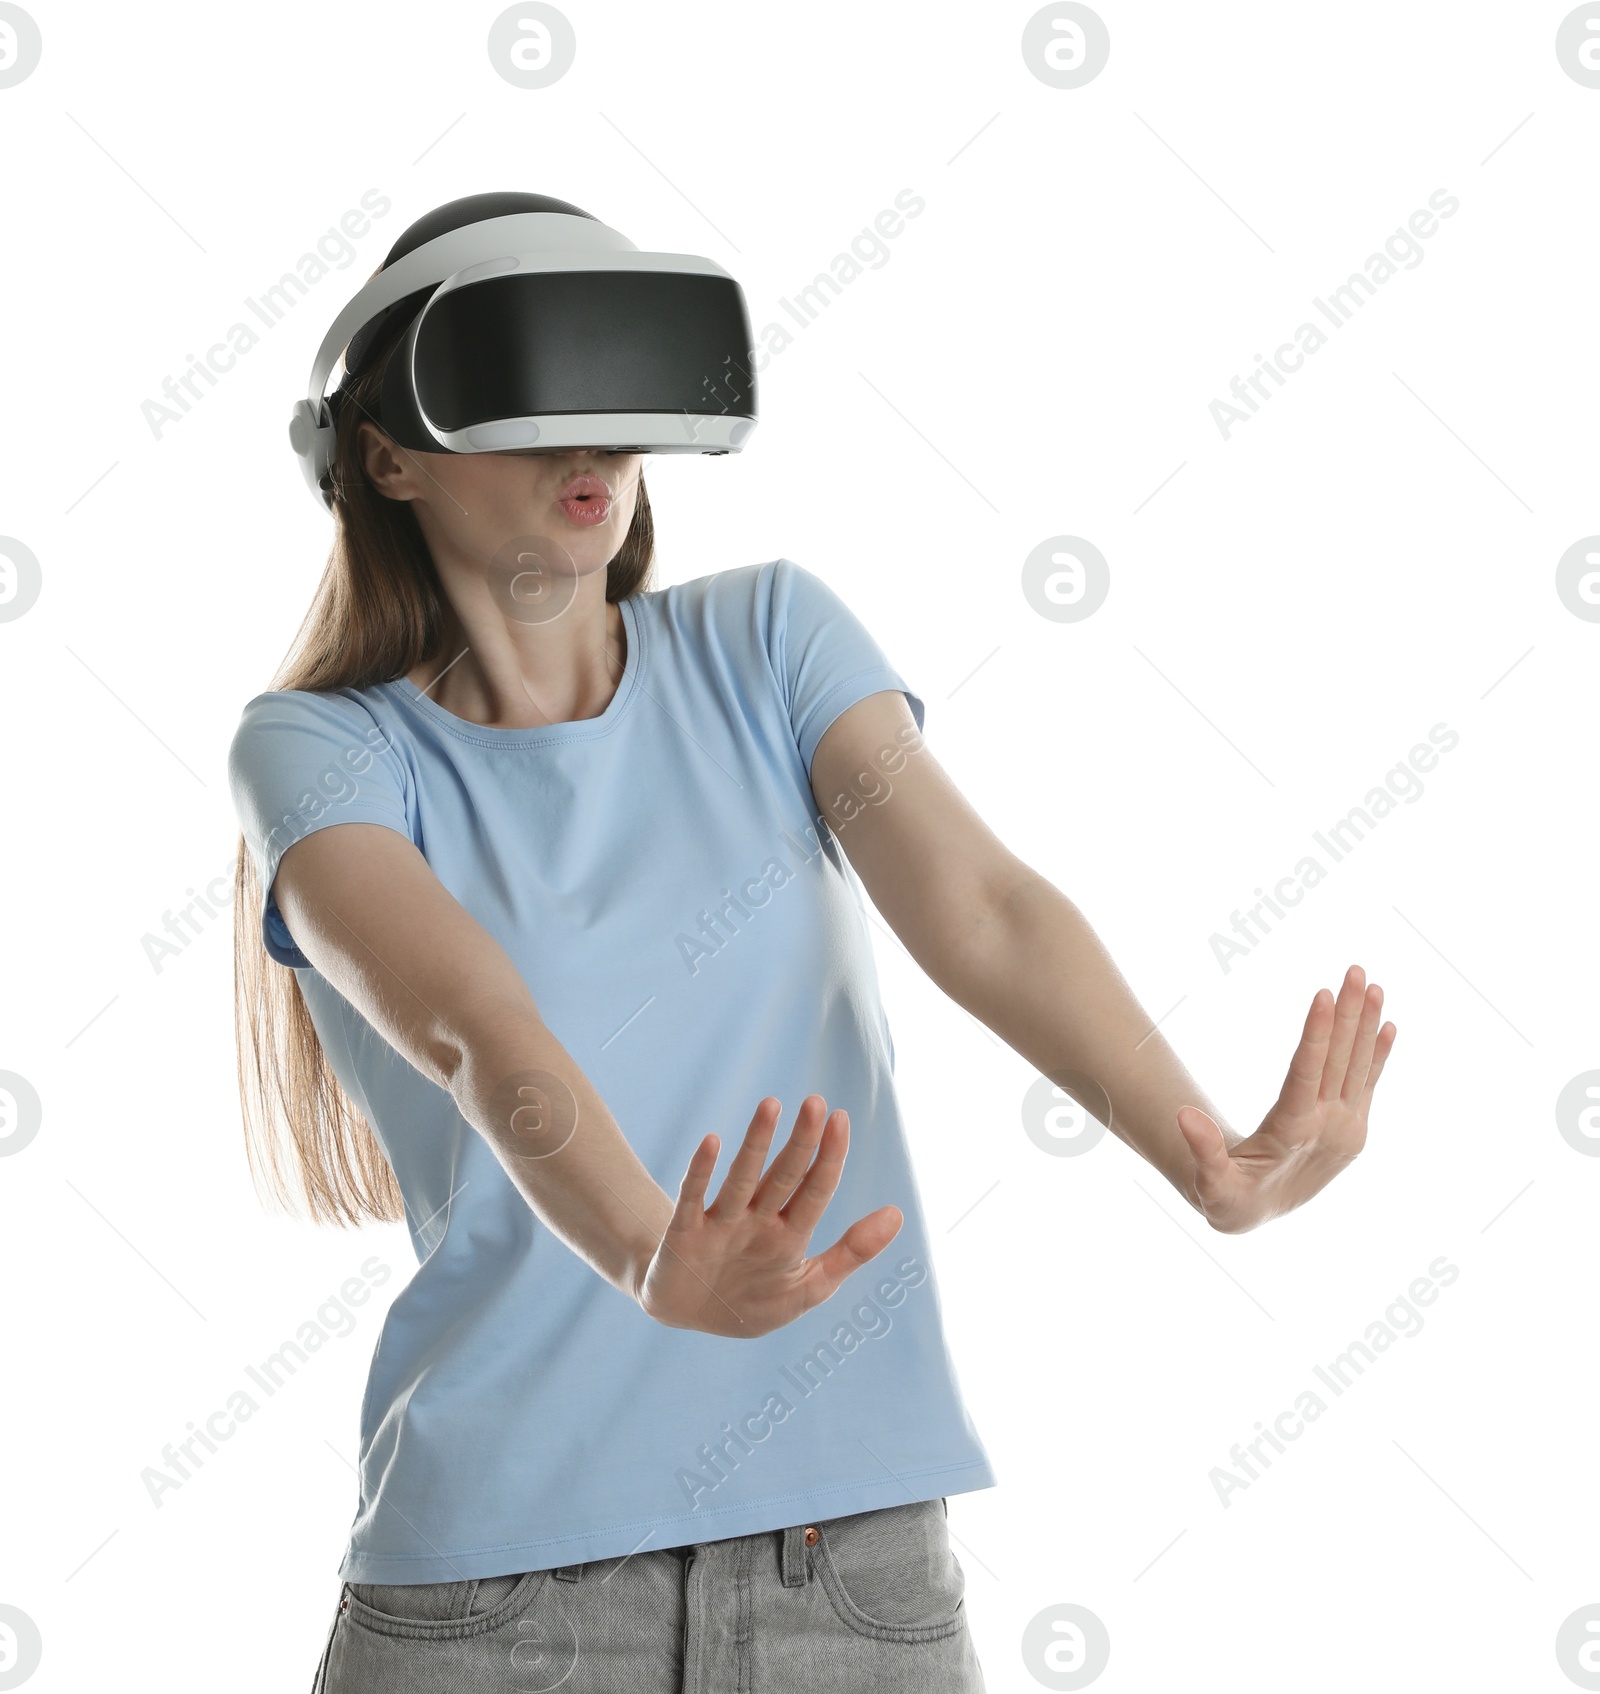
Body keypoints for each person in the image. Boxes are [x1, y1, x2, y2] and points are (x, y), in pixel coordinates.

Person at [227, 194, 1397, 1694]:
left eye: (617, 385)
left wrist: (1209, 1154)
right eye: (528, 388)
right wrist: (652, 1255)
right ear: (385, 455)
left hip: (848, 1577)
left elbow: (982, 907)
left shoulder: (771, 642)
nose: (588, 443)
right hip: (499, 1597)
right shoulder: (319, 751)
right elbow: (471, 1020)